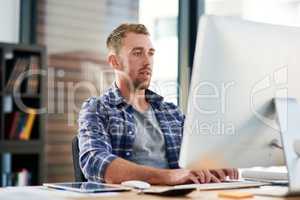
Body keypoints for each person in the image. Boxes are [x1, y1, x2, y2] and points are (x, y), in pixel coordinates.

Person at [77, 23, 239, 185]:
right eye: (138, 53)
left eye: (151, 53)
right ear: (114, 62)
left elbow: (193, 159)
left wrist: (210, 166)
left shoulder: (172, 112)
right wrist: (167, 176)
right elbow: (95, 162)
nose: (148, 62)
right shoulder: (97, 109)